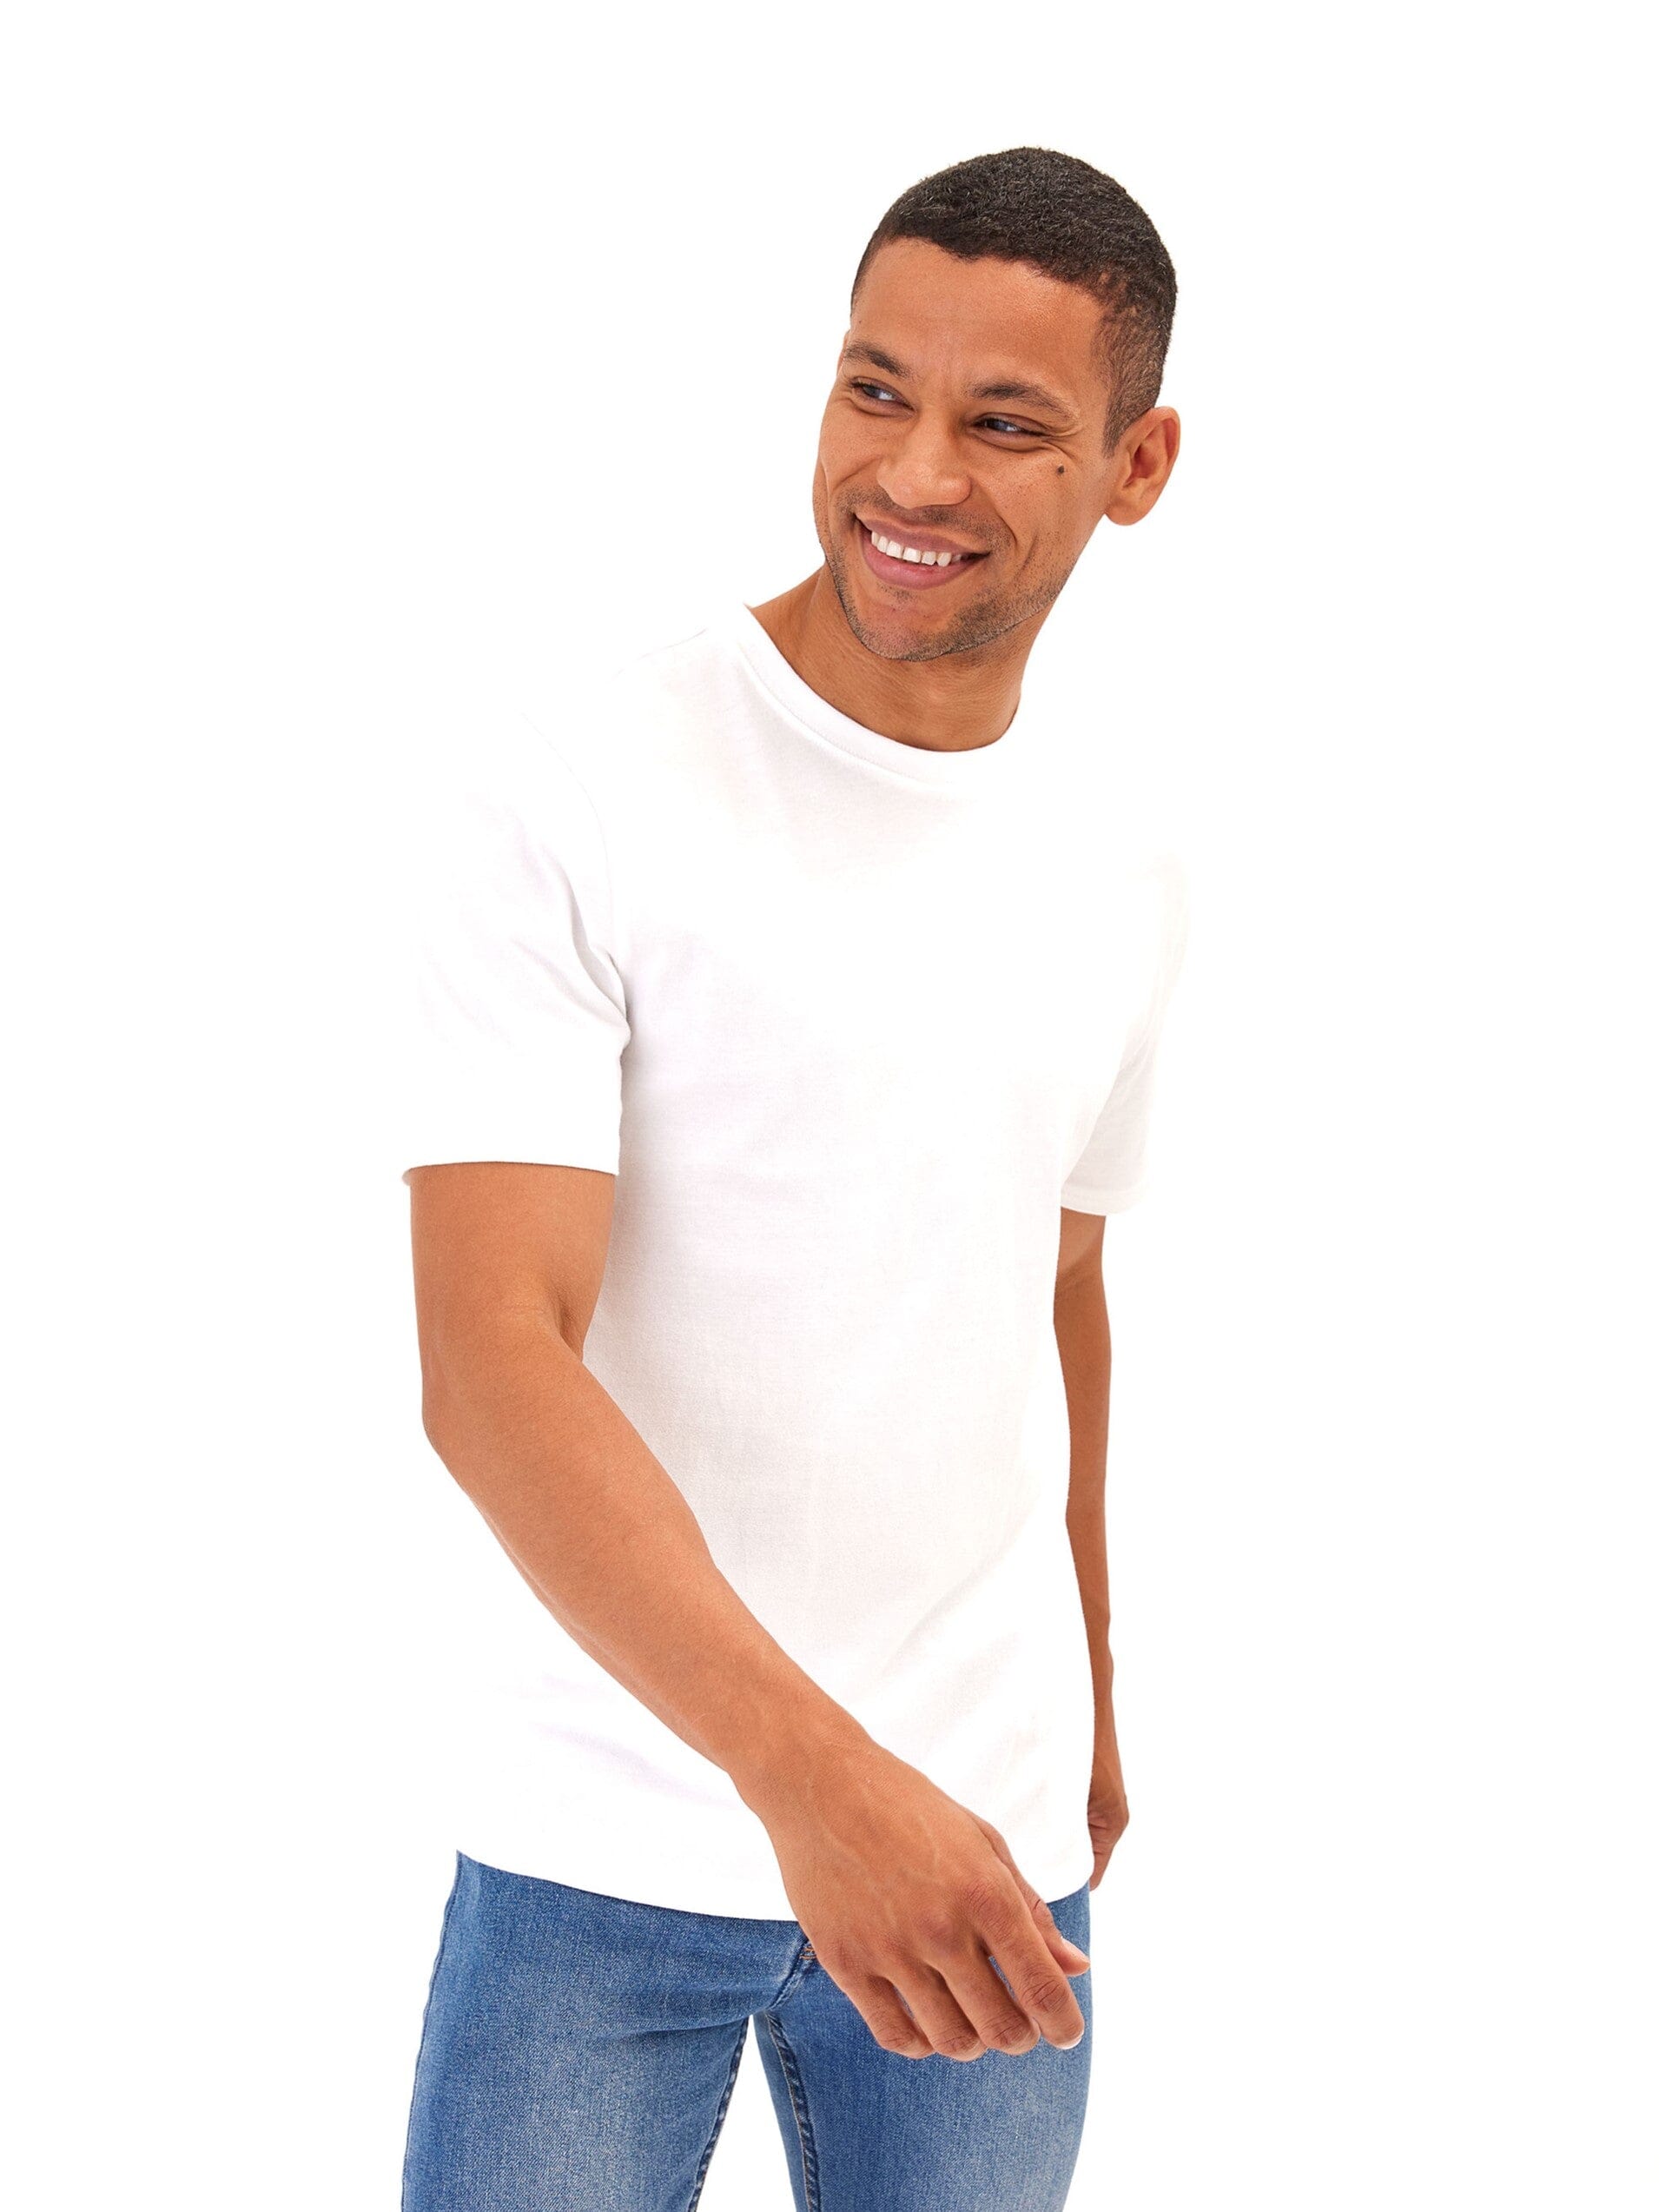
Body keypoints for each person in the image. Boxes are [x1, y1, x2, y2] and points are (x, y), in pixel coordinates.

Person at [399, 144, 1187, 2212]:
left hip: (988, 1839)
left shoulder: (1122, 855)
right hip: (603, 1834)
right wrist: (819, 1790)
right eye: (873, 389)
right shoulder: (583, 781)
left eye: (1003, 422)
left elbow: (1052, 1287)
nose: (911, 473)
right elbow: (489, 1357)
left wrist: (1089, 1703)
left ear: (1135, 464)